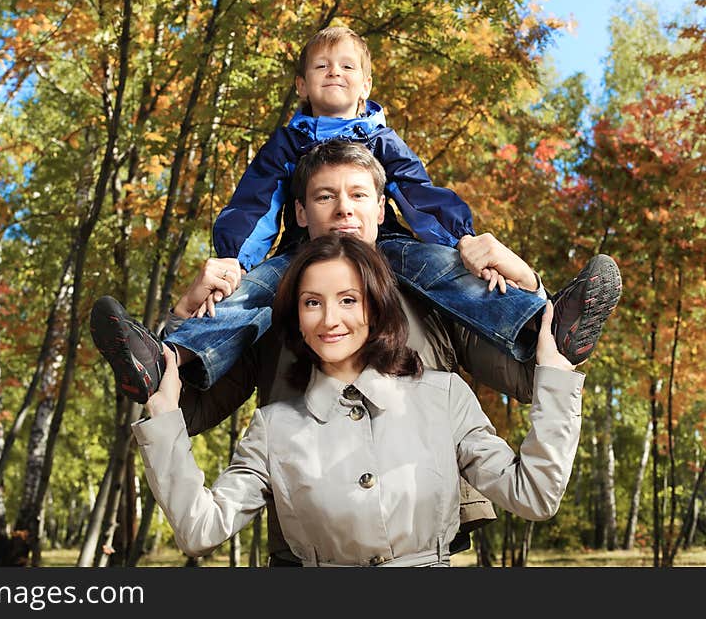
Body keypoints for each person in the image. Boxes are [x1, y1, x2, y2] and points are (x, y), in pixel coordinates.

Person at [93, 140, 616, 563]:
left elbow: (535, 377)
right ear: (300, 212)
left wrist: (531, 293)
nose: (331, 320)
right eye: (325, 197)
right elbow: (187, 413)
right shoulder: (267, 311)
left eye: (358, 195)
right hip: (309, 539)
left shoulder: (437, 296)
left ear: (381, 206)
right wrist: (182, 332)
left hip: (425, 528)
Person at [90, 28, 621, 406]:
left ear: (366, 85)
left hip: (388, 246)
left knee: (444, 270)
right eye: (321, 67)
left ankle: (545, 324)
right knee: (250, 293)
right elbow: (257, 203)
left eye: (347, 66)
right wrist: (234, 263)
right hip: (301, 253)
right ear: (301, 86)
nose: (334, 73)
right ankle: (167, 360)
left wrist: (462, 240)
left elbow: (417, 191)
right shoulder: (289, 142)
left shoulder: (382, 139)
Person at [132, 234, 584, 567]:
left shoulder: (444, 397)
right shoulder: (273, 427)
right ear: (297, 318)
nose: (330, 319)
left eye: (348, 299)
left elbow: (535, 495)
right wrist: (164, 418)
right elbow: (200, 529)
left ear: (376, 307)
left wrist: (556, 377)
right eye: (312, 303)